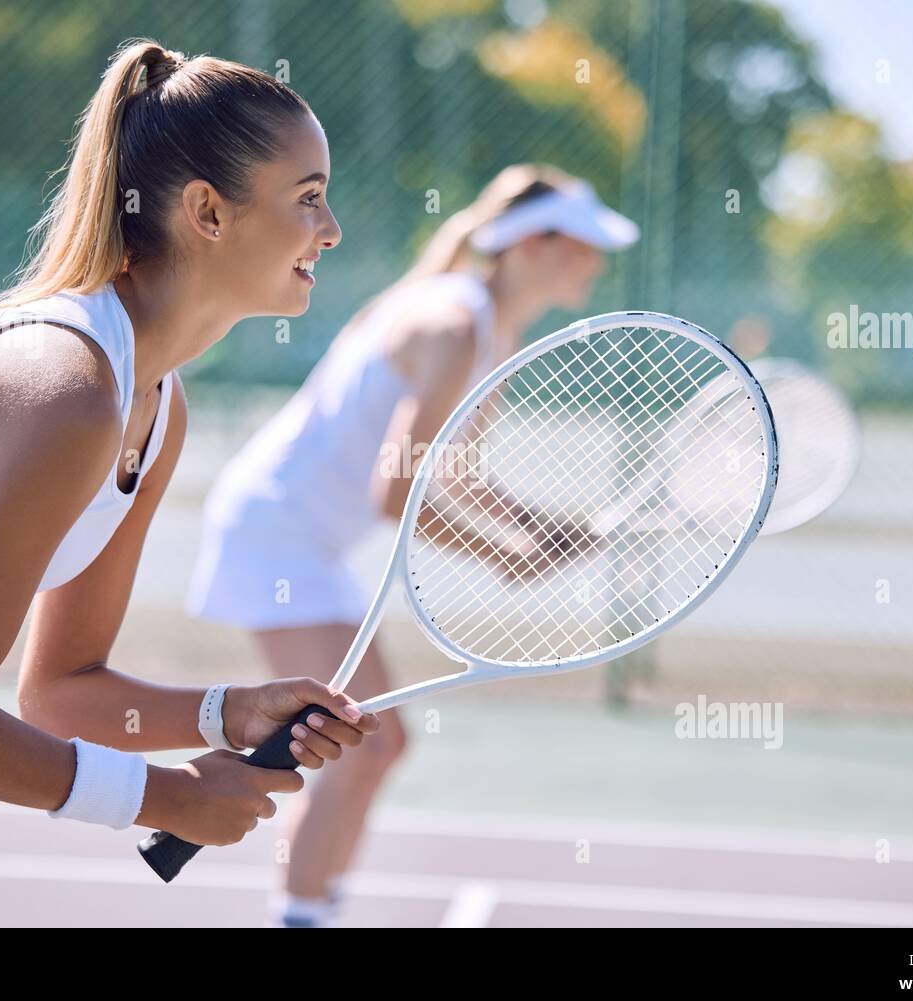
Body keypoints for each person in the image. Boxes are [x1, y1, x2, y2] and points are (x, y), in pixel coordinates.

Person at [0, 39, 379, 928]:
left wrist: (231, 714)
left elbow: (59, 689)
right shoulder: (67, 392)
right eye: (308, 199)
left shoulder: (153, 406)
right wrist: (171, 801)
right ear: (207, 213)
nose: (331, 229)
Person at [187, 164, 639, 926]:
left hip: (304, 543)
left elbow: (452, 476)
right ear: (529, 245)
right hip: (274, 532)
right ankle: (298, 913)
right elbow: (395, 493)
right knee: (366, 745)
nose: (594, 261)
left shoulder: (489, 329)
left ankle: (312, 908)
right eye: (581, 243)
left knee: (372, 746)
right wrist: (503, 556)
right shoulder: (456, 325)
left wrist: (540, 525)